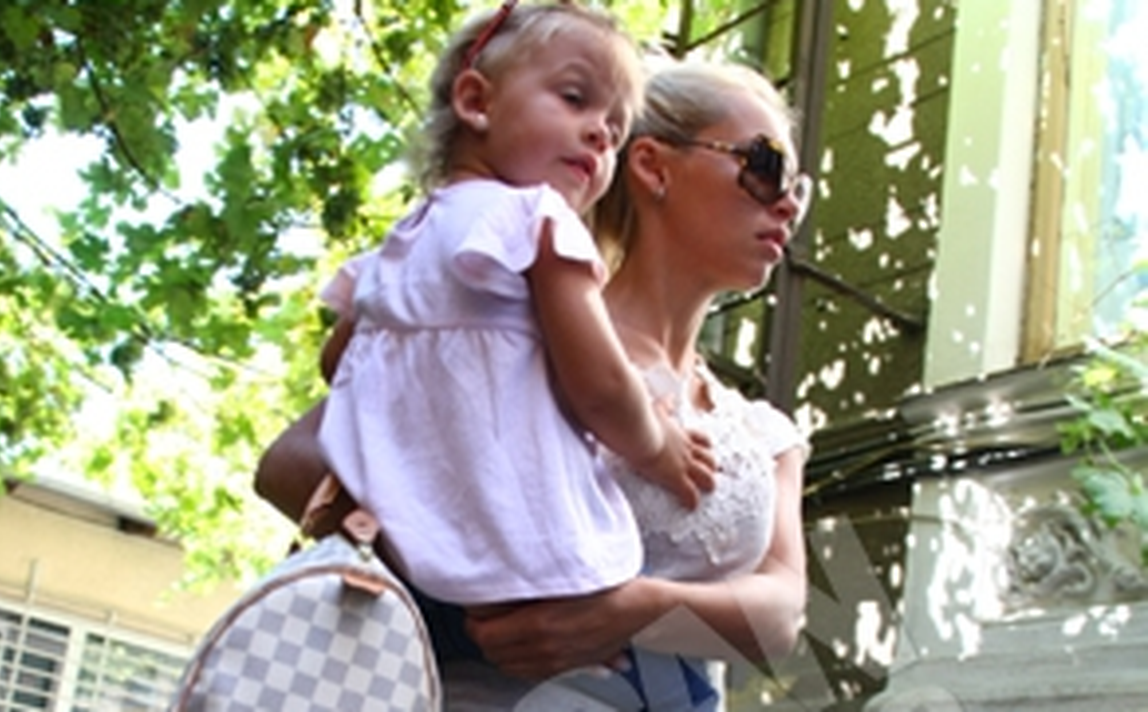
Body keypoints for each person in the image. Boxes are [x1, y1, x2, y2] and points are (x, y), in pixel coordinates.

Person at [257, 58, 812, 710]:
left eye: (799, 190)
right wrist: (473, 586)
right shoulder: (511, 336)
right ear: (653, 166)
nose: (787, 204)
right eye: (765, 167)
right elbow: (290, 465)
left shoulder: (763, 432)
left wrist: (631, 609)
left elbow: (781, 619)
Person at [313, 0, 716, 612]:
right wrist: (659, 446)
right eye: (575, 99)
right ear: (476, 101)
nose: (600, 133)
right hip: (525, 554)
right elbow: (601, 386)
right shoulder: (537, 218)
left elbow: (337, 362)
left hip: (397, 543)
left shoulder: (397, 246)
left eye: (615, 129)